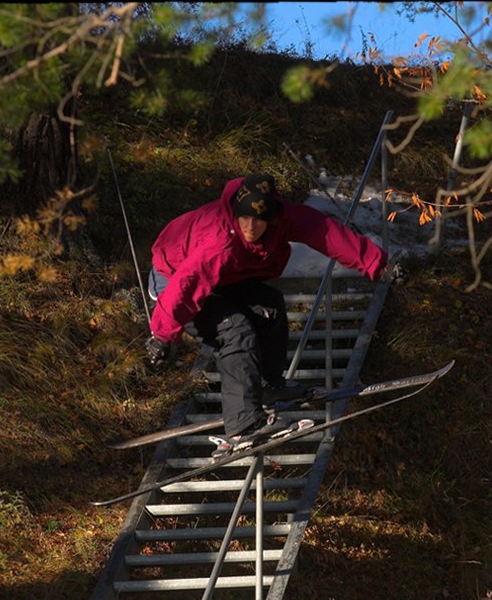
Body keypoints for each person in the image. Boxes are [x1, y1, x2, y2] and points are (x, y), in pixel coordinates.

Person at [145, 173, 390, 452]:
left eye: (259, 220)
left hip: (225, 279)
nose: (251, 227)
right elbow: (186, 285)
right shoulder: (217, 240)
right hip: (174, 278)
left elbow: (325, 231)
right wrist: (162, 335)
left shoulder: (285, 218)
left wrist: (378, 265)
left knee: (269, 306)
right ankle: (243, 425)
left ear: (272, 217)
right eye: (244, 218)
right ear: (235, 213)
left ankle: (268, 385)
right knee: (234, 330)